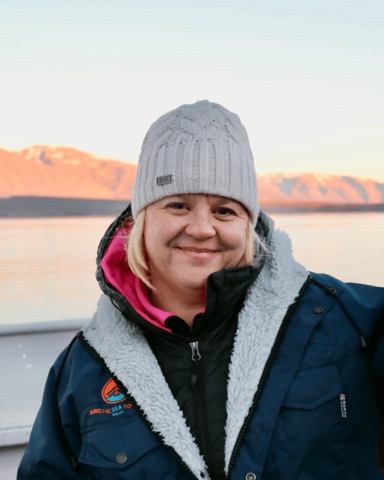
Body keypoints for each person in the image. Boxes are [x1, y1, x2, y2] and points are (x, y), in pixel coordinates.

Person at [18, 100, 384, 480]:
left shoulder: (346, 320)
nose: (201, 228)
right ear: (140, 220)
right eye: (178, 205)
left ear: (248, 224)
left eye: (225, 210)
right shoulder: (83, 368)